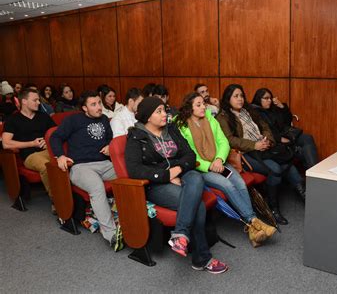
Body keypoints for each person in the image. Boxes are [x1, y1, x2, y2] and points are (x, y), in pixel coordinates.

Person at [125, 97, 228, 273]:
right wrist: (165, 175)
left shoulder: (171, 129)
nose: (165, 114)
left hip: (182, 174)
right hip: (156, 185)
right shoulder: (136, 137)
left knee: (196, 177)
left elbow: (189, 155)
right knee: (200, 206)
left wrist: (177, 169)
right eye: (159, 111)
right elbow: (135, 170)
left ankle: (180, 235)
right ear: (148, 116)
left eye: (164, 110)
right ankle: (201, 258)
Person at [176, 93, 276, 247]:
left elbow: (223, 142)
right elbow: (188, 153)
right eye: (198, 105)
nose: (203, 107)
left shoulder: (210, 119)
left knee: (240, 183)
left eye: (203, 103)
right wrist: (209, 165)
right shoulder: (181, 126)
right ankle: (254, 222)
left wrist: (218, 160)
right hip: (201, 168)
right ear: (189, 108)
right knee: (227, 185)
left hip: (220, 162)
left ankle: (253, 228)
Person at [216, 84, 305, 225]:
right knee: (275, 169)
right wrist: (254, 145)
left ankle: (304, 195)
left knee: (286, 162)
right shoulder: (223, 116)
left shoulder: (248, 110)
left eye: (241, 96)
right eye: (236, 96)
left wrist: (267, 140)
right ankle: (273, 209)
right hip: (248, 152)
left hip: (264, 146)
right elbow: (230, 140)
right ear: (228, 99)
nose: (240, 99)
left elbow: (264, 126)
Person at [49, 90, 123, 251]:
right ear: (84, 108)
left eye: (99, 103)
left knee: (128, 173)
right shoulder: (73, 120)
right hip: (81, 167)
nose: (98, 107)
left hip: (104, 164)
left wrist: (110, 147)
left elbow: (110, 139)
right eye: (94, 104)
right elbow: (55, 137)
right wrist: (60, 155)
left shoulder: (103, 119)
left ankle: (131, 223)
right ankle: (111, 234)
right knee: (96, 187)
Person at [2, 88, 56, 212]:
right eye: (35, 100)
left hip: (48, 150)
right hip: (30, 155)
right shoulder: (13, 119)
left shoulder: (43, 117)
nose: (39, 103)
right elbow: (6, 143)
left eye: (38, 100)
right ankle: (58, 200)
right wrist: (31, 143)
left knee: (63, 160)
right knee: (46, 166)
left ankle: (73, 196)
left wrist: (47, 141)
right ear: (24, 101)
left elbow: (56, 133)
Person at [251, 88, 318, 171]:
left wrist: (281, 107)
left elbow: (288, 120)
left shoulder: (272, 109)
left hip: (286, 134)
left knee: (307, 138)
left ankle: (313, 172)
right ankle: (313, 173)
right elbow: (263, 130)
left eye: (270, 98)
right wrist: (279, 139)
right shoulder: (255, 112)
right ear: (258, 99)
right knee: (302, 151)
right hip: (276, 139)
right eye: (266, 98)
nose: (269, 101)